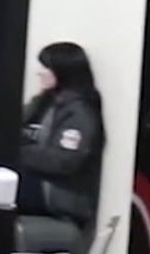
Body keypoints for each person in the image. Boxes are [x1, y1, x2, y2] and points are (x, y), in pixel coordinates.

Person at [15, 41, 103, 235]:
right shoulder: (41, 104)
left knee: (0, 189)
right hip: (36, 181)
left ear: (63, 71)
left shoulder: (79, 112)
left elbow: (63, 160)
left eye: (46, 68)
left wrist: (17, 153)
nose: (40, 73)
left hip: (61, 194)